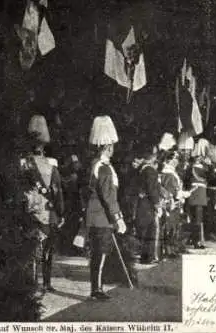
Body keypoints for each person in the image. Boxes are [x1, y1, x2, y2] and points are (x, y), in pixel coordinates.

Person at [20, 115, 65, 293]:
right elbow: (58, 191)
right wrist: (61, 212)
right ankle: (46, 283)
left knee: (32, 250)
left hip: (30, 210)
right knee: (48, 250)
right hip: (49, 211)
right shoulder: (51, 164)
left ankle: (32, 282)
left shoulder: (23, 164)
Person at [85, 115, 127, 299]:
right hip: (102, 217)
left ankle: (97, 288)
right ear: (108, 147)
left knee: (97, 254)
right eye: (111, 146)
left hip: (94, 215)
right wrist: (118, 218)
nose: (113, 149)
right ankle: (97, 290)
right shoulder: (104, 168)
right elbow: (109, 196)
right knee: (100, 254)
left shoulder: (94, 165)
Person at [135, 146, 163, 264]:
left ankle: (145, 256)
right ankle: (149, 257)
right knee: (150, 230)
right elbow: (152, 190)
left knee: (144, 229)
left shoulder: (141, 169)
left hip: (142, 202)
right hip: (148, 203)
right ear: (152, 157)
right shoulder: (150, 170)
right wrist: (157, 204)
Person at [160, 150, 190, 257]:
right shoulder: (168, 172)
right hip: (171, 203)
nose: (176, 161)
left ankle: (172, 248)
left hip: (175, 202)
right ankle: (169, 250)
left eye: (177, 159)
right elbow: (171, 189)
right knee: (170, 226)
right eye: (174, 159)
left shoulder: (172, 172)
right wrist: (180, 194)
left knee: (174, 226)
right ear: (168, 160)